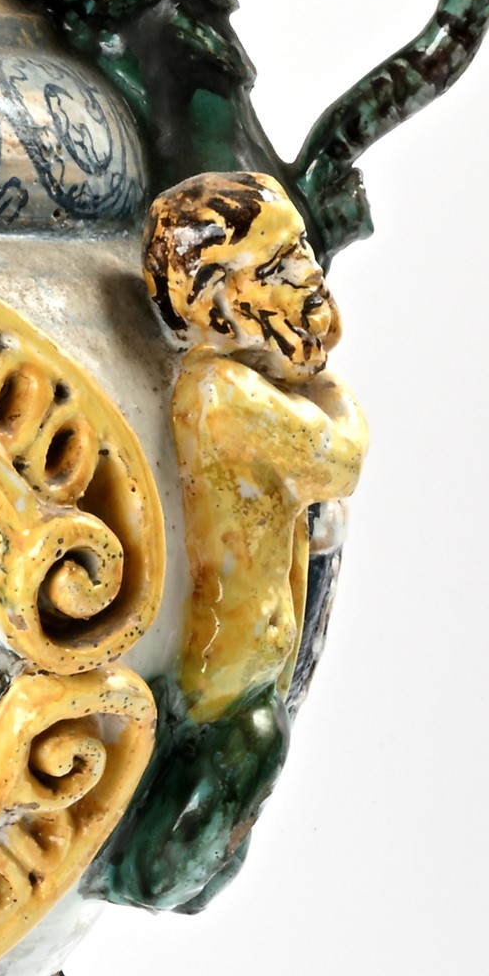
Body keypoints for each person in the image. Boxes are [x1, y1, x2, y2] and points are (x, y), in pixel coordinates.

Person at [95, 172, 371, 913]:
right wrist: (328, 390)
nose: (309, 274)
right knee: (221, 793)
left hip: (255, 668)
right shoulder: (223, 395)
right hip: (226, 680)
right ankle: (149, 877)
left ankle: (169, 876)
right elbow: (340, 460)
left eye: (302, 250)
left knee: (235, 802)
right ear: (218, 306)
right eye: (281, 265)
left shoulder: (242, 382)